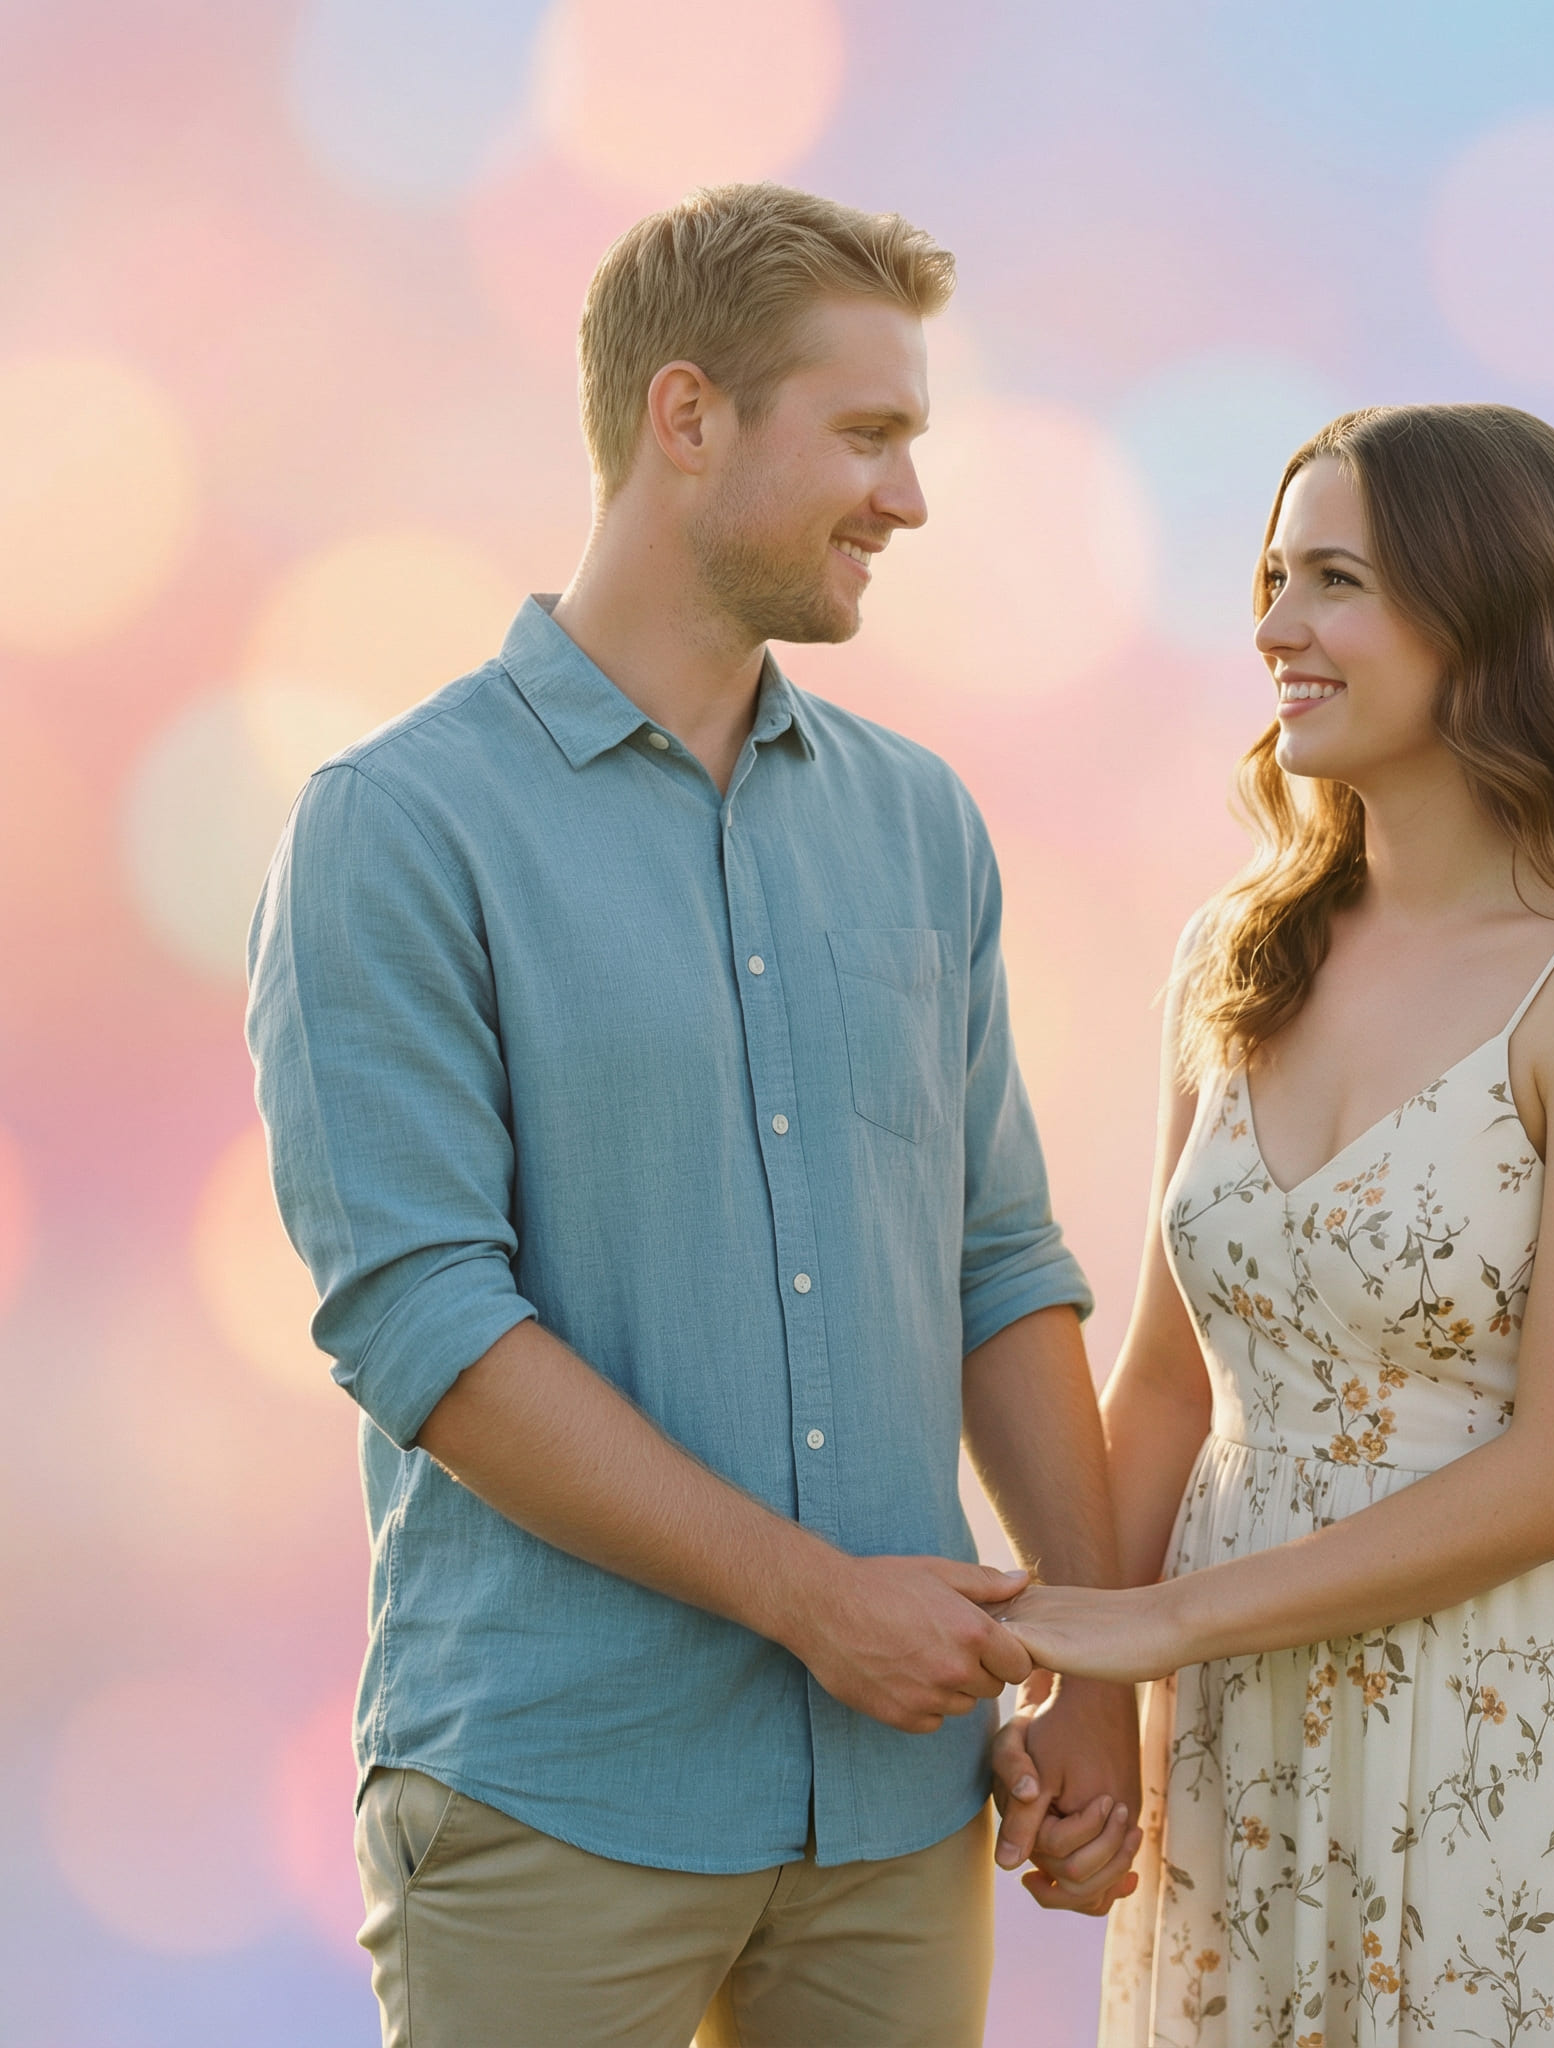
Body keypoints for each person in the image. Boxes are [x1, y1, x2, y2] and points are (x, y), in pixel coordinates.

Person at [247, 183, 1140, 2048]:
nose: (911, 498)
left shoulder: (921, 826)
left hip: (897, 1820)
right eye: (870, 433)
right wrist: (817, 1602)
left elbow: (998, 1264)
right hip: (554, 1797)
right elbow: (425, 1323)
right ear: (687, 418)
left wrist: (1106, 1672)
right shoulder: (398, 829)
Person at [992, 404, 1554, 2045]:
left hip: (1499, 1733)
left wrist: (1163, 1623)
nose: (1274, 628)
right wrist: (1091, 1694)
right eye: (1273, 578)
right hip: (1242, 1750)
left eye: (1333, 581)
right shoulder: (1238, 951)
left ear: (1486, 611)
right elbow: (1166, 1388)